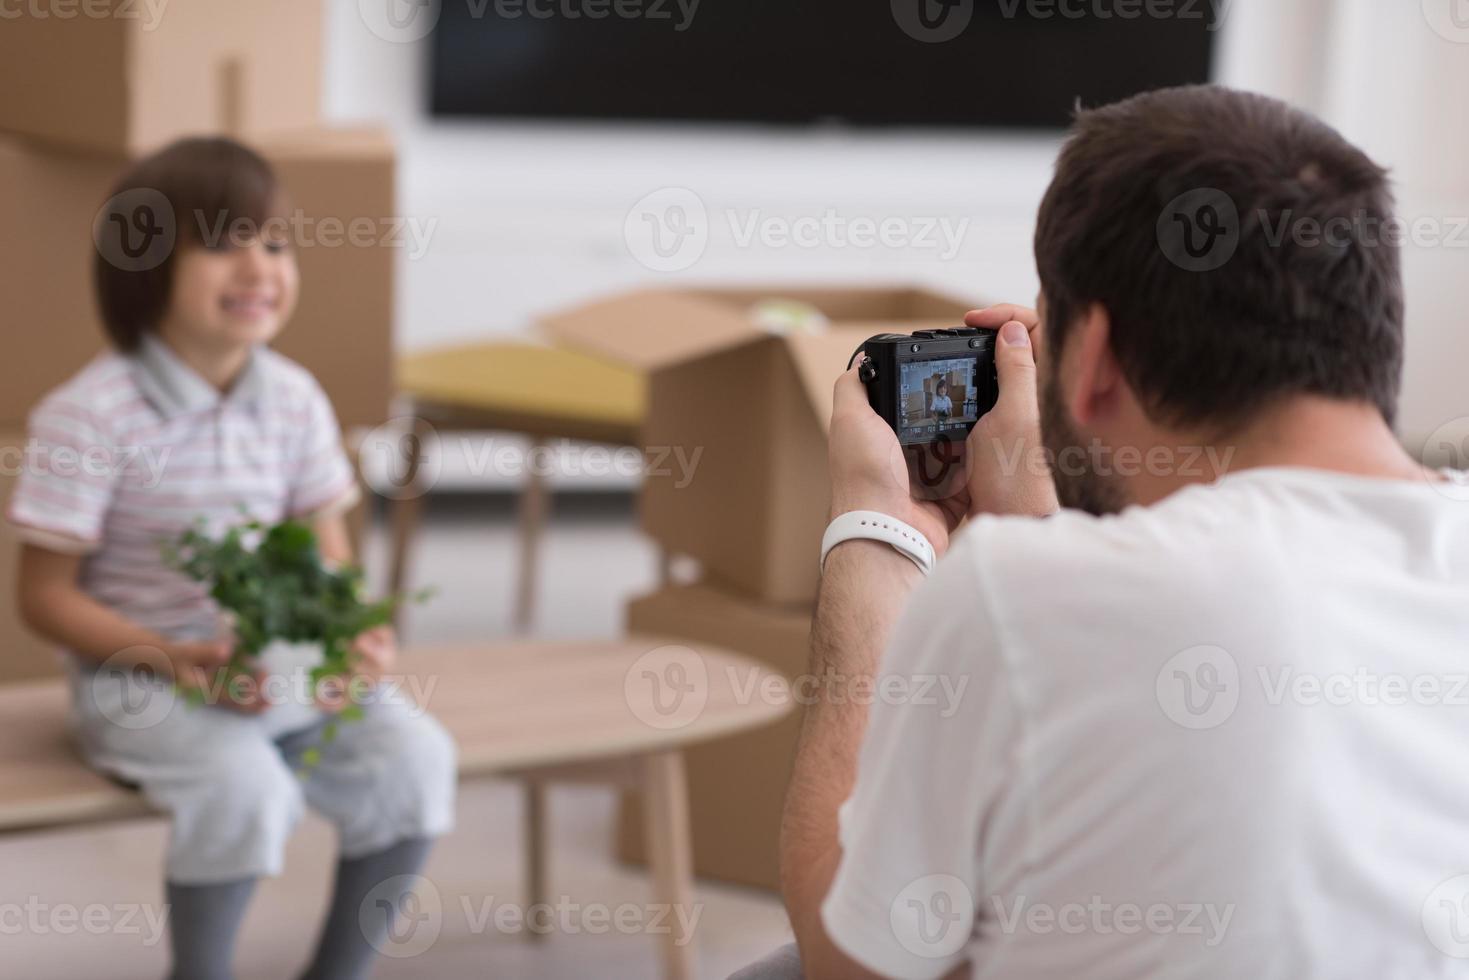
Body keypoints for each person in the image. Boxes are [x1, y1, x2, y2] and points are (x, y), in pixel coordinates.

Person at [769, 85, 1469, 979]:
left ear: (1092, 356)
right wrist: (1041, 521)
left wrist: (877, 534)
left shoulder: (1017, 592)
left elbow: (850, 955)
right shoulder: (1054, 591)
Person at [9, 138, 457, 980]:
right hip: (140, 683)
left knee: (417, 758)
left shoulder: (294, 398)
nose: (259, 266)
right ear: (144, 267)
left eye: (275, 244)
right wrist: (172, 660)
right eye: (222, 243)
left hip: (283, 674)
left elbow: (331, 559)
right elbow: (42, 598)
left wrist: (349, 639)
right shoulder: (87, 416)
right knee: (245, 791)